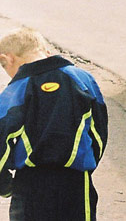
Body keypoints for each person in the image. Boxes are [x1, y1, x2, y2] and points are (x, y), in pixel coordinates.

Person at [0, 28, 108, 220]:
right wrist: (86, 164)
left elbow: (1, 138)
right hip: (76, 181)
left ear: (7, 59)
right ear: (46, 51)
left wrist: (5, 185)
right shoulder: (83, 79)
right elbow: (98, 131)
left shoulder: (16, 90)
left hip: (31, 183)